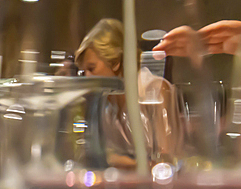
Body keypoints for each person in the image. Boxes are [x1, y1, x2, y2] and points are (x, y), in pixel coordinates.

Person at [75, 18, 183, 166]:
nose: (86, 77)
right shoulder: (104, 103)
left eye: (91, 68)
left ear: (115, 62)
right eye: (83, 71)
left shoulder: (155, 90)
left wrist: (115, 162)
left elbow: (168, 161)